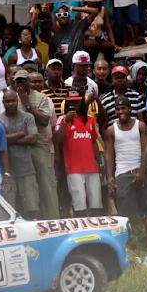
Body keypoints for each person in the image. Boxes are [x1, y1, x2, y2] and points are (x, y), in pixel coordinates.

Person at [104, 97, 147, 253]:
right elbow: (109, 154)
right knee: (125, 211)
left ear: (130, 109)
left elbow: (145, 149)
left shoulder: (140, 126)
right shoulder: (111, 130)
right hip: (122, 173)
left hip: (140, 170)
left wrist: (142, 171)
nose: (121, 112)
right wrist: (109, 176)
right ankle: (130, 244)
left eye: (124, 108)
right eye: (118, 109)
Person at [15, 70, 60, 219]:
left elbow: (44, 120)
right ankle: (31, 220)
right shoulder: (12, 98)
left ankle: (53, 218)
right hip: (19, 146)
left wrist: (28, 106)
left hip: (39, 144)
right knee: (27, 186)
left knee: (47, 184)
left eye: (23, 81)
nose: (21, 84)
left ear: (28, 81)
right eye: (18, 81)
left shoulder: (41, 97)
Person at [54, 89, 103, 217]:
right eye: (70, 102)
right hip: (73, 169)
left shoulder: (90, 119)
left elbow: (93, 141)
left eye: (76, 102)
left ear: (81, 103)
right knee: (79, 204)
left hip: (92, 167)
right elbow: (57, 140)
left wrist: (99, 162)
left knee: (96, 204)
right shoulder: (62, 119)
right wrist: (66, 122)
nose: (74, 105)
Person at [0, 89, 40, 218]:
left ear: (17, 101)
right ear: (3, 102)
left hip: (26, 167)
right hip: (7, 169)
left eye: (13, 100)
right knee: (9, 207)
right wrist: (20, 134)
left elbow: (33, 138)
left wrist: (9, 139)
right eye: (7, 101)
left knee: (32, 206)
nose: (10, 103)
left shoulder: (28, 117)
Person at [49, 4, 99, 78]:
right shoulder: (55, 37)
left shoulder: (79, 26)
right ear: (56, 18)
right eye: (59, 15)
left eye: (64, 14)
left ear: (69, 16)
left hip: (80, 71)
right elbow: (51, 59)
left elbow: (95, 11)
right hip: (64, 75)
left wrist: (72, 8)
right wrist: (57, 53)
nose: (62, 16)